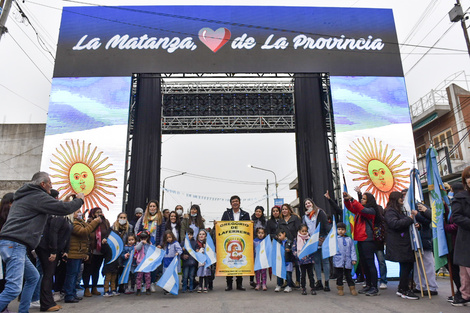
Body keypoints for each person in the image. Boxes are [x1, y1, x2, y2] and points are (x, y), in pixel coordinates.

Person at [0, 172, 84, 313]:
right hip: (15, 244)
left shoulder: (27, 195)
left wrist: (64, 201)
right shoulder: (37, 196)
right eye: (50, 184)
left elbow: (56, 206)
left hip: (13, 244)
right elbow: (63, 209)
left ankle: (24, 310)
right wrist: (80, 200)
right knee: (13, 288)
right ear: (42, 184)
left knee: (33, 277)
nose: (51, 187)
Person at [36, 190, 74, 312]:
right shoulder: (59, 215)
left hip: (52, 248)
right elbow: (53, 232)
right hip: (48, 249)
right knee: (48, 275)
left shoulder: (62, 215)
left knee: (48, 275)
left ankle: (48, 301)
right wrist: (53, 251)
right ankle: (46, 303)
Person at [384, 191, 419, 300]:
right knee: (406, 266)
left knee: (406, 266)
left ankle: (402, 288)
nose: (402, 200)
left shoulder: (397, 211)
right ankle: (404, 289)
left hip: (402, 242)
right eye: (400, 198)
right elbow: (394, 224)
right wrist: (409, 219)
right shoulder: (390, 211)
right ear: (395, 199)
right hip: (399, 243)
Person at [343, 191, 379, 296]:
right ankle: (368, 285)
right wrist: (346, 200)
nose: (362, 200)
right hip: (360, 239)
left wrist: (352, 199)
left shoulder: (371, 211)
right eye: (362, 198)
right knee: (364, 264)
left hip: (368, 240)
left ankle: (374, 287)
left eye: (364, 199)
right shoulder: (360, 212)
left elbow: (360, 208)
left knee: (370, 263)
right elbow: (350, 208)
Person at [63, 206, 101, 303]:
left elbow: (89, 230)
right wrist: (95, 222)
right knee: (71, 275)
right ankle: (69, 295)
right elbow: (84, 232)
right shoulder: (73, 223)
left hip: (79, 252)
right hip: (73, 252)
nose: (80, 213)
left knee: (75, 275)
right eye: (78, 212)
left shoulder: (80, 222)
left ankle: (73, 293)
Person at [221, 195, 250, 291]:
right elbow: (222, 225)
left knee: (239, 261)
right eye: (233, 201)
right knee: (229, 262)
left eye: (236, 201)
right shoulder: (226, 213)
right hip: (229, 239)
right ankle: (229, 284)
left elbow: (248, 226)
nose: (235, 203)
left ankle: (239, 284)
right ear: (230, 203)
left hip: (241, 240)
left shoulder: (245, 214)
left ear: (240, 202)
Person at [135, 200, 165, 292]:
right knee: (144, 263)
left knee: (153, 264)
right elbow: (139, 230)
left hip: (155, 244)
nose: (152, 208)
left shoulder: (160, 218)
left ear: (157, 207)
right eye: (150, 206)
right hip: (145, 244)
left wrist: (160, 244)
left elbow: (162, 232)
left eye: (154, 206)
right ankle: (144, 284)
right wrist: (141, 239)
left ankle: (152, 283)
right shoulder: (144, 217)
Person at [450, 166, 470, 306]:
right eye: (468, 177)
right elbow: (456, 217)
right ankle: (465, 294)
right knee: (465, 272)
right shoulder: (460, 197)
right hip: (466, 239)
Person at [302, 198, 331, 291]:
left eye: (309, 203)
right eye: (306, 204)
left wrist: (325, 237)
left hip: (322, 239)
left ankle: (327, 282)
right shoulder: (304, 217)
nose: (307, 205)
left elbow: (326, 225)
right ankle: (319, 282)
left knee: (325, 261)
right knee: (317, 262)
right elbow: (304, 230)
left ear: (312, 203)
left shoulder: (320, 212)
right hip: (312, 241)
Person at [83, 207, 110, 297]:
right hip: (91, 250)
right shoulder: (89, 222)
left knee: (96, 270)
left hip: (101, 250)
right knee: (88, 270)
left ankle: (94, 287)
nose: (99, 213)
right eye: (97, 212)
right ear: (93, 214)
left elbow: (108, 233)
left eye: (100, 212)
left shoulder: (105, 222)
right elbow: (87, 234)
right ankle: (86, 288)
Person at [413, 202, 438, 296]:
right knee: (417, 265)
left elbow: (428, 220)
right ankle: (420, 286)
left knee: (428, 264)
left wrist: (417, 214)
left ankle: (432, 287)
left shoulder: (421, 206)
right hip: (414, 241)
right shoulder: (406, 208)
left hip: (424, 240)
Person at [333, 222, 358, 296]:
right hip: (338, 260)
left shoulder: (349, 239)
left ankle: (352, 288)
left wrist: (354, 259)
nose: (341, 231)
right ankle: (340, 288)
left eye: (342, 229)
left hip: (348, 260)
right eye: (339, 229)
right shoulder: (335, 239)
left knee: (348, 275)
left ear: (345, 230)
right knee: (339, 275)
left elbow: (352, 250)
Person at [292, 224, 315, 295]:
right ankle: (303, 288)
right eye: (303, 231)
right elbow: (294, 249)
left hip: (309, 260)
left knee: (311, 275)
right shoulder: (297, 239)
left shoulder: (309, 239)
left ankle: (312, 287)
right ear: (299, 231)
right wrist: (298, 255)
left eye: (306, 231)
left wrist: (310, 254)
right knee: (303, 275)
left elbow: (313, 247)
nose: (304, 232)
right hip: (301, 261)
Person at [134, 231, 152, 296]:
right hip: (140, 262)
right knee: (139, 276)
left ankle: (148, 288)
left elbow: (150, 251)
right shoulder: (138, 243)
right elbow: (137, 248)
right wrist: (141, 243)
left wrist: (146, 244)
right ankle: (138, 289)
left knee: (148, 276)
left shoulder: (149, 244)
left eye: (145, 238)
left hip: (147, 262)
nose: (143, 239)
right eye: (142, 238)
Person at [181, 229, 197, 293]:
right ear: (185, 235)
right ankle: (184, 287)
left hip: (193, 262)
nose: (189, 236)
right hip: (186, 262)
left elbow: (196, 250)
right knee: (185, 276)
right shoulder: (183, 243)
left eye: (190, 234)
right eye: (187, 234)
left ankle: (191, 287)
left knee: (191, 276)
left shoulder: (194, 242)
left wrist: (197, 250)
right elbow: (179, 251)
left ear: (192, 235)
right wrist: (182, 254)